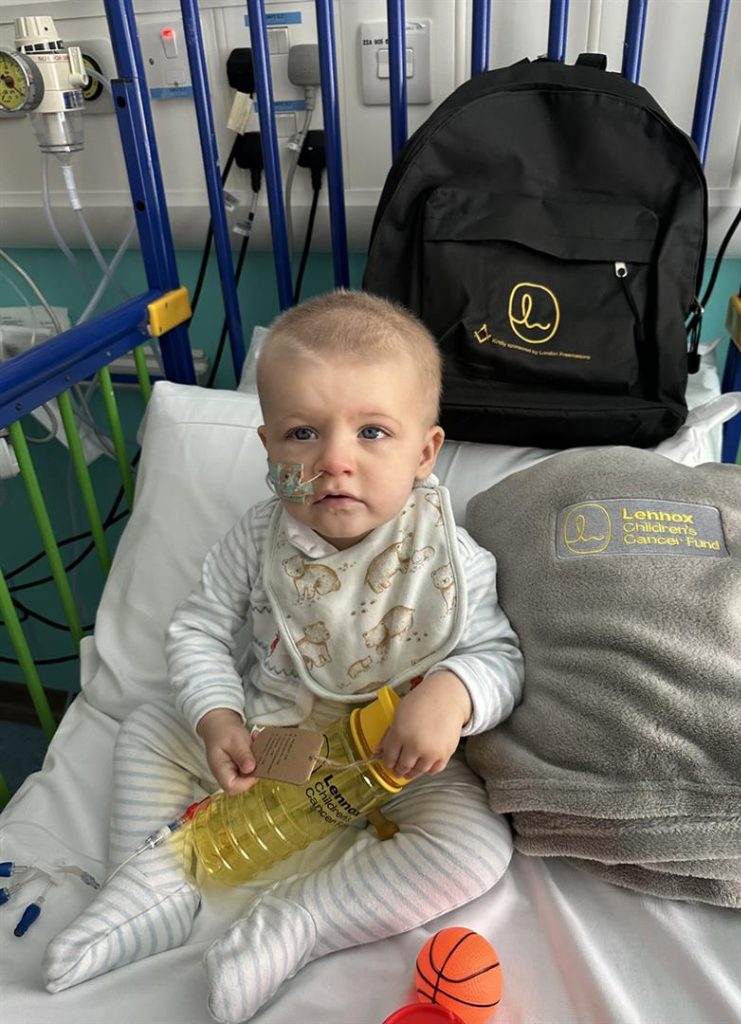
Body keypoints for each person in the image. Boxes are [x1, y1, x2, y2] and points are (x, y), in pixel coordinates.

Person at [43, 290, 524, 1023]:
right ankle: (152, 882)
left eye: (372, 432)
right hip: (273, 742)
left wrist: (452, 695)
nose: (334, 461)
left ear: (425, 453)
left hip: (390, 762)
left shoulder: (449, 558)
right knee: (145, 727)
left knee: (477, 845)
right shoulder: (256, 539)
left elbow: (500, 655)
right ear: (269, 448)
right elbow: (199, 629)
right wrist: (217, 716)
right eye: (303, 433)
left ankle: (300, 920)